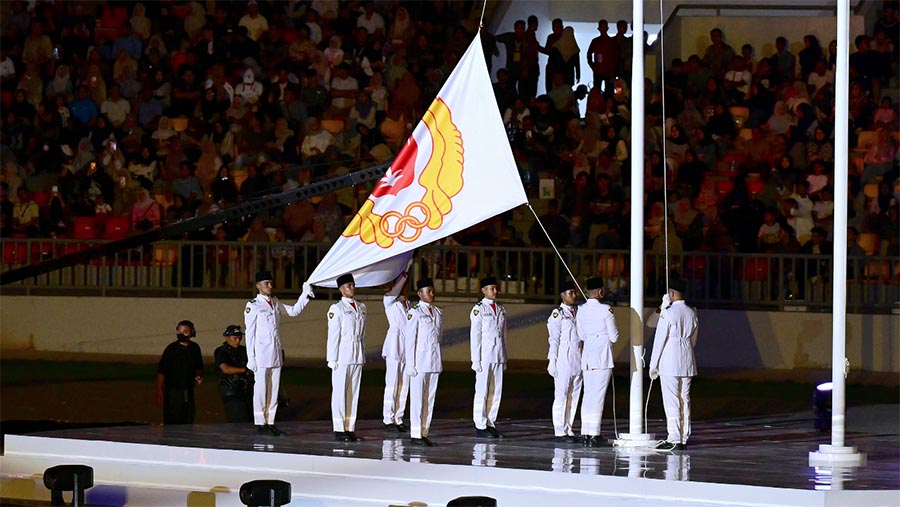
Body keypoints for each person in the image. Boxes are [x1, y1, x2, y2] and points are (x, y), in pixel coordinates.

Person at [244, 271, 315, 436]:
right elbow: (250, 333)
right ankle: (261, 423)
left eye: (270, 282)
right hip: (261, 353)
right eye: (266, 283)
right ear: (258, 286)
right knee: (261, 389)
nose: (269, 286)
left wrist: (305, 295)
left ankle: (271, 422)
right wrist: (251, 357)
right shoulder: (253, 305)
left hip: (275, 352)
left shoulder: (274, 302)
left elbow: (293, 311)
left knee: (274, 389)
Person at [649, 278, 699, 451]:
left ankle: (674, 437)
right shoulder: (692, 312)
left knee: (671, 400)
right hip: (687, 358)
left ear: (671, 294)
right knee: (684, 398)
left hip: (670, 359)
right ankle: (684, 436)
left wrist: (653, 364)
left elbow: (659, 339)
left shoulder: (669, 313)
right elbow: (694, 339)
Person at [576, 277, 617, 447]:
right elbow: (614, 336)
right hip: (602, 357)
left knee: (588, 395)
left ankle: (586, 432)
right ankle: (594, 434)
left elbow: (580, 335)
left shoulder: (581, 310)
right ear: (600, 292)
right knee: (597, 397)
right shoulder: (606, 310)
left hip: (588, 356)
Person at [403, 278, 443, 446]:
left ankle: (424, 432)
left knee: (429, 399)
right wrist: (410, 364)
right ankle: (416, 434)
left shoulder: (438, 312)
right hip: (419, 362)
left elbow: (438, 338)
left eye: (432, 291)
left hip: (433, 361)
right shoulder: (415, 312)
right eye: (428, 291)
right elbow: (410, 340)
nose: (432, 294)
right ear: (420, 294)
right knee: (418, 399)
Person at [327, 273, 367, 442]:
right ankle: (339, 428)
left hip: (356, 355)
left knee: (353, 393)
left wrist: (362, 354)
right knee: (340, 393)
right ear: (340, 289)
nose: (351, 288)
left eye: (352, 285)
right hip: (342, 356)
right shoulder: (337, 309)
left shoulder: (362, 307)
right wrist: (332, 358)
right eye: (347, 286)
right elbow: (334, 335)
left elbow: (362, 334)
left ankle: (349, 427)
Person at [470, 276, 508, 438]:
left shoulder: (501, 309)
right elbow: (475, 335)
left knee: (496, 390)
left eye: (495, 288)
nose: (495, 291)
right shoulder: (479, 309)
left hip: (498, 354)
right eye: (491, 288)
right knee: (482, 390)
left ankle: (490, 422)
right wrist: (475, 359)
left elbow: (504, 335)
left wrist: (505, 357)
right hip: (484, 354)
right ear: (483, 291)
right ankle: (480, 423)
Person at [547, 280, 583, 443]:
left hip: (578, 356)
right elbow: (554, 339)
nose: (574, 295)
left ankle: (568, 428)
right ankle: (559, 430)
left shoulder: (578, 312)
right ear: (563, 295)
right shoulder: (558, 314)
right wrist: (552, 360)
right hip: (563, 357)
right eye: (570, 293)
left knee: (574, 395)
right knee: (561, 395)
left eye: (574, 292)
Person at [156, 320, 204, 425]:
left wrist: (199, 376)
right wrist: (159, 392)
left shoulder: (195, 348)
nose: (182, 334)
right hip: (173, 391)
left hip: (188, 389)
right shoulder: (171, 349)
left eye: (185, 331)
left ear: (191, 332)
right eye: (180, 331)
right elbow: (161, 372)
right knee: (172, 419)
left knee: (188, 418)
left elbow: (199, 367)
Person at [382, 263, 412, 432]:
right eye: (401, 283)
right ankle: (388, 418)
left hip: (407, 344)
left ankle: (399, 418)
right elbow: (394, 291)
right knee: (392, 382)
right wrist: (404, 272)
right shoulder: (389, 300)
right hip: (394, 344)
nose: (404, 286)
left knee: (404, 383)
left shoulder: (409, 303)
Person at [214, 324, 253, 423]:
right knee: (237, 418)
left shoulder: (244, 350)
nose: (238, 340)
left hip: (245, 389)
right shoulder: (221, 351)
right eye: (235, 338)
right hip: (230, 390)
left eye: (239, 338)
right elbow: (225, 369)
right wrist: (245, 370)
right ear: (227, 338)